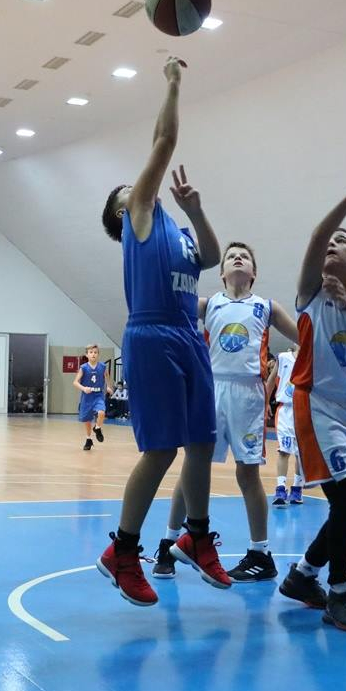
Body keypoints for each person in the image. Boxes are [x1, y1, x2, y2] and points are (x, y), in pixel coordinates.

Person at [97, 57, 229, 606]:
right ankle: (122, 551)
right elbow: (165, 141)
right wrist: (173, 83)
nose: (136, 185)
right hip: (151, 335)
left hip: (187, 334)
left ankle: (195, 536)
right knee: (161, 451)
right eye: (125, 191)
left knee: (202, 442)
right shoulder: (140, 219)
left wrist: (195, 211)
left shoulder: (174, 229)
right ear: (122, 213)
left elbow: (212, 257)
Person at [276, 168, 346, 633]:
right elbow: (317, 235)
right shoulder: (310, 290)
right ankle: (339, 593)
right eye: (331, 240)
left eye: (342, 242)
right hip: (316, 404)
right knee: (344, 504)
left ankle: (303, 575)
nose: (331, 243)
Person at [153, 241, 298, 583]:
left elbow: (305, 338)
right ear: (221, 273)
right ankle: (169, 543)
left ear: (254, 272)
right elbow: (170, 304)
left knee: (247, 474)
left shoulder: (267, 307)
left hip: (248, 394)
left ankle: (260, 553)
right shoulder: (208, 304)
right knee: (192, 468)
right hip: (210, 388)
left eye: (244, 256)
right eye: (232, 256)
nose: (237, 258)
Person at [268, 344, 305, 505]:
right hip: (285, 411)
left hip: (305, 410)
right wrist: (265, 402)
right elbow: (271, 381)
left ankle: (297, 489)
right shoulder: (283, 357)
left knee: (301, 454)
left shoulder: (313, 360)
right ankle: (280, 488)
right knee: (284, 450)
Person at [75, 344, 114, 451]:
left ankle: (97, 428)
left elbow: (106, 376)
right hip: (87, 396)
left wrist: (108, 386)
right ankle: (88, 439)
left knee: (101, 412)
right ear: (87, 354)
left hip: (98, 395)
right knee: (87, 420)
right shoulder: (83, 368)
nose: (93, 354)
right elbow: (75, 382)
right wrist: (83, 388)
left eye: (95, 352)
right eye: (91, 352)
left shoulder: (102, 366)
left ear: (98, 354)